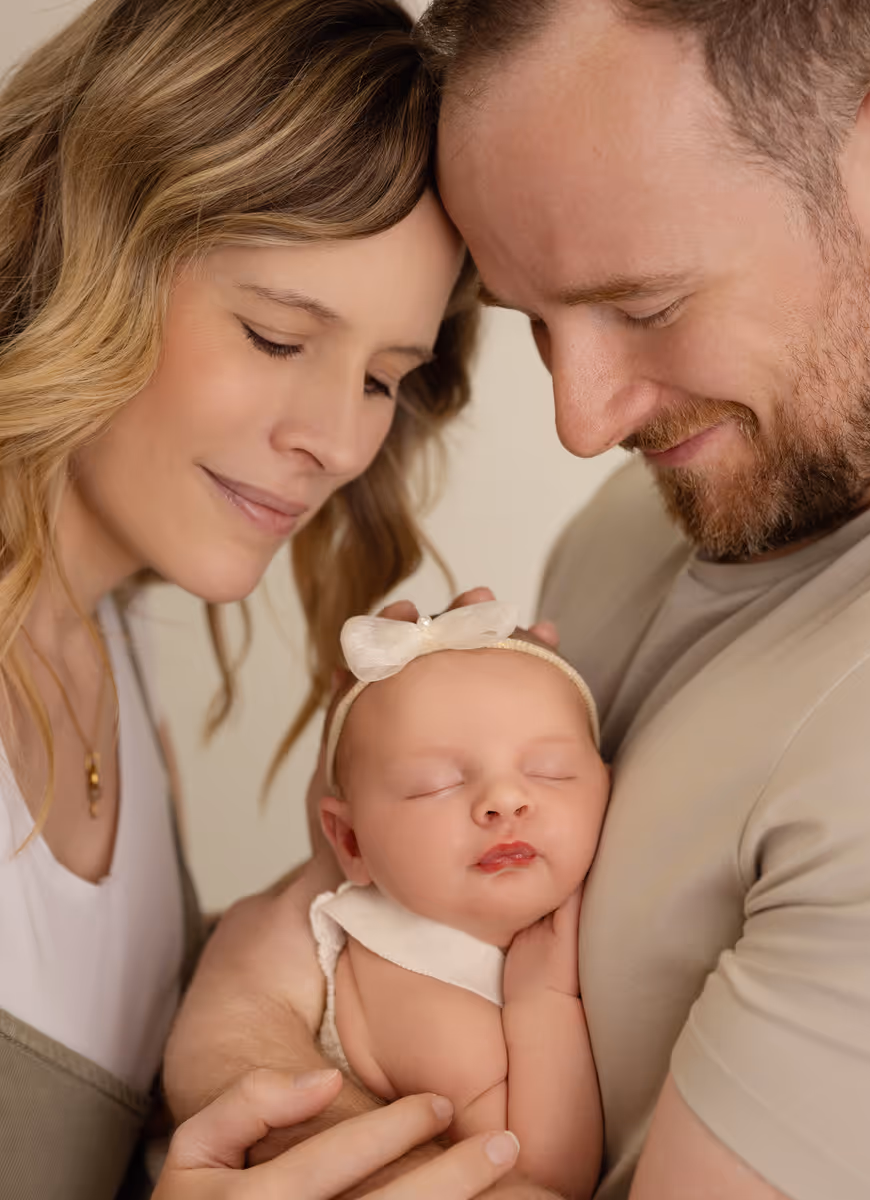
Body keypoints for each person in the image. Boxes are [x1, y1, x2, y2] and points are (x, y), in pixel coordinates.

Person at [166, 0, 870, 1197]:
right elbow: (347, 896)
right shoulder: (657, 514)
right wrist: (262, 1086)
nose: (582, 423)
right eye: (535, 323)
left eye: (644, 306)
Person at [0, 0, 533, 1196]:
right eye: (276, 336)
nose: (337, 441)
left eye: (386, 379)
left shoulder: (109, 656)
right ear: (80, 233)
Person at [309, 602, 606, 1199]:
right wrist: (543, 1000)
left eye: (549, 771)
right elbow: (537, 1179)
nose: (503, 800)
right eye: (436, 785)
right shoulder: (414, 982)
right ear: (350, 841)